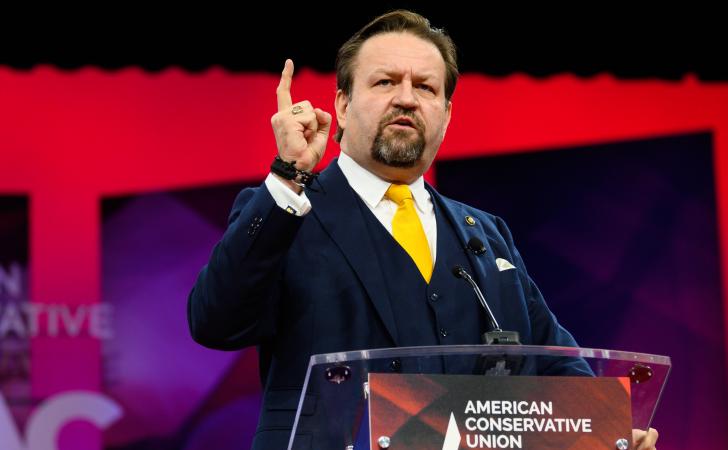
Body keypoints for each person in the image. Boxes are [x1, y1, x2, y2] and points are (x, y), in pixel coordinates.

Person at [187, 9, 659, 450]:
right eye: (386, 82)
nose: (407, 98)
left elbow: (551, 355)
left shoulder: (487, 234)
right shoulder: (285, 212)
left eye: (426, 88)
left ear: (447, 115)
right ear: (343, 106)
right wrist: (289, 179)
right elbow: (214, 321)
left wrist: (609, 428)